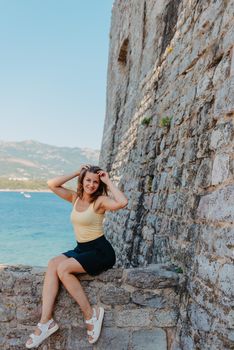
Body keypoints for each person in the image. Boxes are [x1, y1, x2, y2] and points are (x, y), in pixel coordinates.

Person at [25, 164, 128, 349]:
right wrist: (75, 172)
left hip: (100, 251)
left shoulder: (100, 201)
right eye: (88, 180)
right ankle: (46, 321)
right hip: (81, 248)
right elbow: (52, 184)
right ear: (82, 180)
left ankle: (91, 315)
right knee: (52, 264)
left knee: (63, 269)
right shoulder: (74, 198)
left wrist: (108, 181)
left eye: (95, 182)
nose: (91, 185)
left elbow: (122, 202)